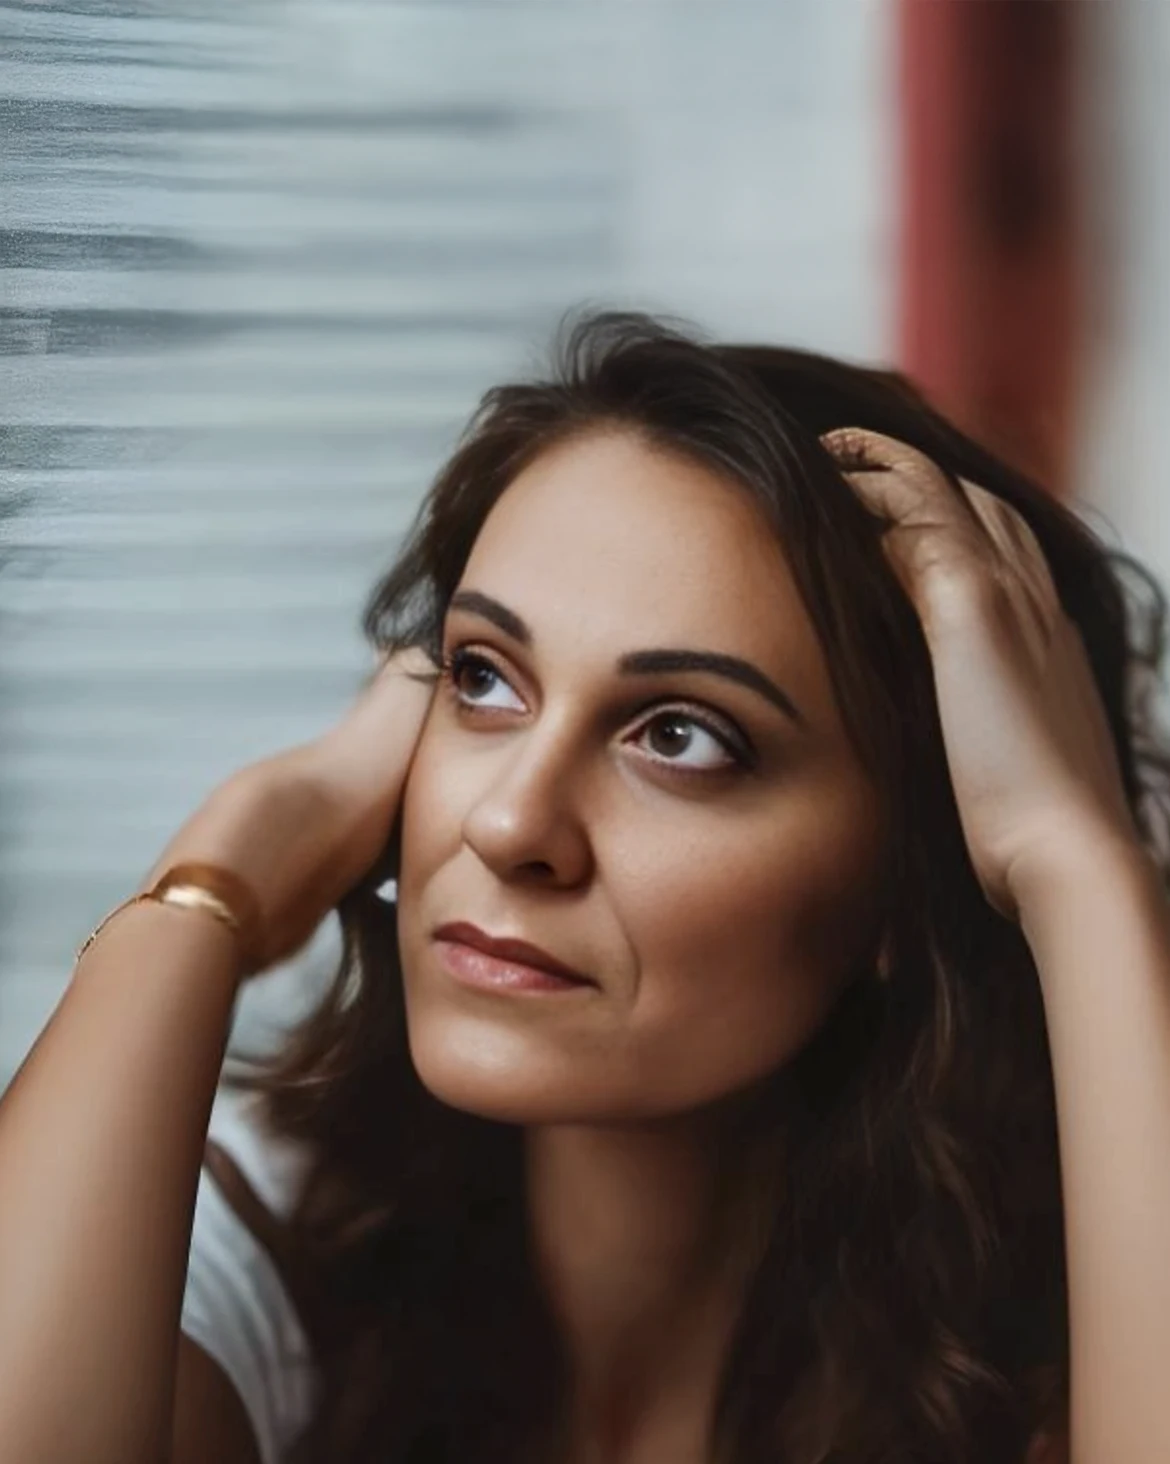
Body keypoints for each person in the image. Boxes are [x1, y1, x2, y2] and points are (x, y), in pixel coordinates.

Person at [1, 311, 1169, 1464]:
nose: (508, 823)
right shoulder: (272, 1254)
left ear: (909, 888)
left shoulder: (1061, 1352)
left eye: (682, 738)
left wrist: (1076, 864)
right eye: (483, 678)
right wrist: (217, 885)